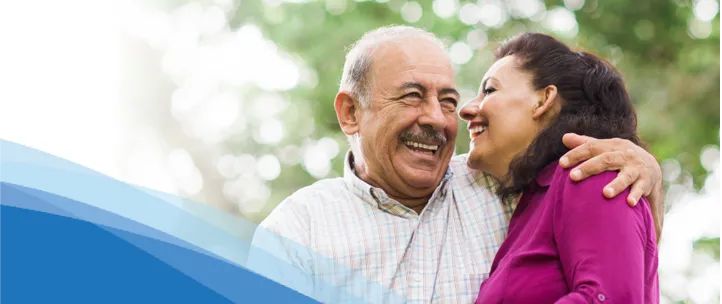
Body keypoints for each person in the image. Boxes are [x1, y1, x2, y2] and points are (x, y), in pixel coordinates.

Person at [247, 26, 664, 303]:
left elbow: (618, 262)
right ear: (350, 113)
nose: (441, 117)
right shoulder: (295, 233)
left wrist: (646, 170)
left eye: (447, 99)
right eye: (411, 95)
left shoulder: (505, 184)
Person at [460, 32, 659, 303]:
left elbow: (610, 297)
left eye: (490, 90)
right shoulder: (534, 203)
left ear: (544, 100)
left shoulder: (589, 174)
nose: (467, 109)